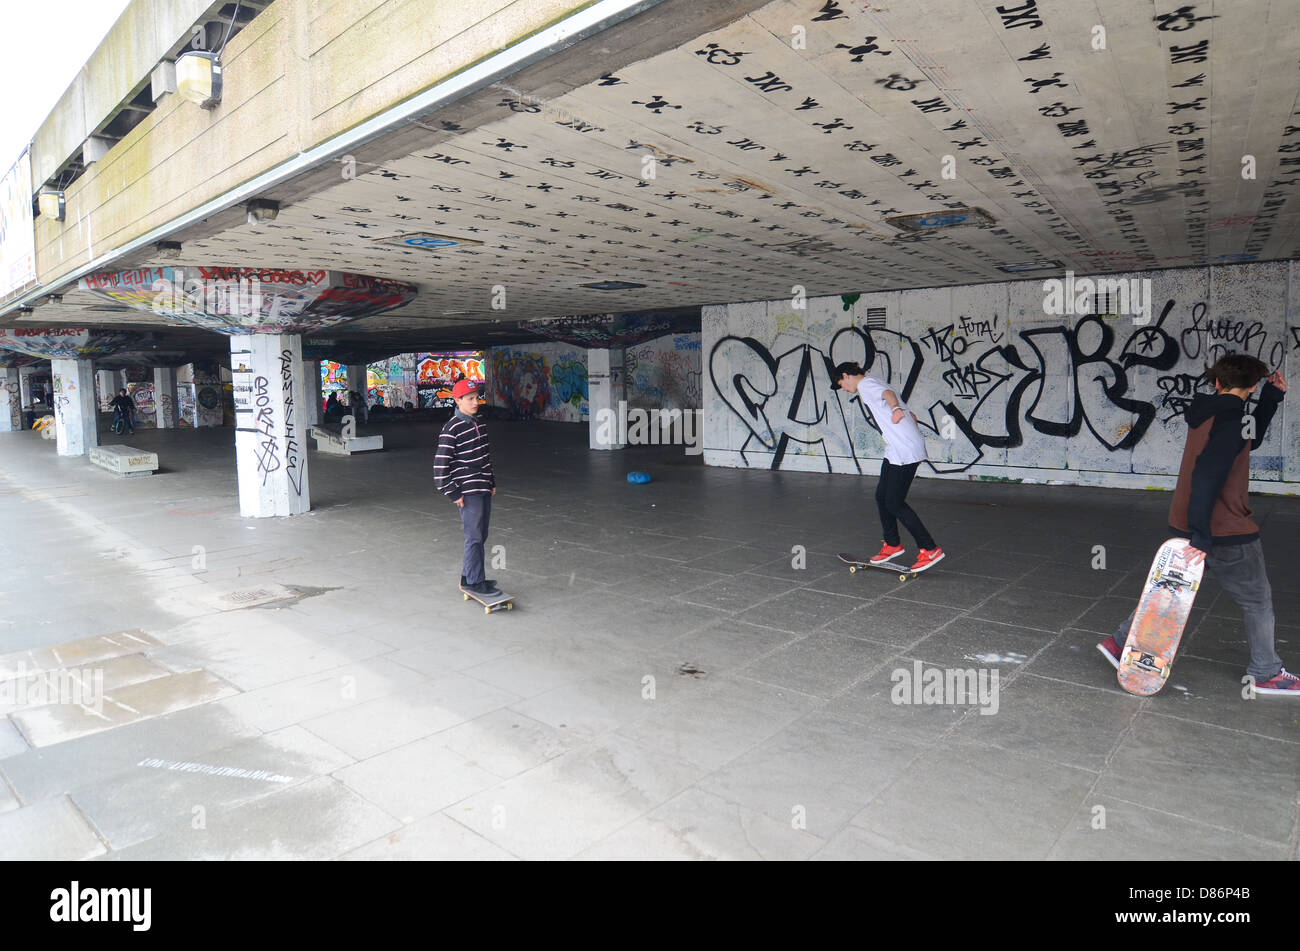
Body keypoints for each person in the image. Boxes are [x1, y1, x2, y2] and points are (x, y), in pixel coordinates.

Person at [1097, 355, 1296, 694]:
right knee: (1257, 600)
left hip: (1190, 520)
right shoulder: (1232, 418)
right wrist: (1202, 536)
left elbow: (1250, 440)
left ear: (1218, 383)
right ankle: (1265, 673)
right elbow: (1206, 475)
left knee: (1169, 590)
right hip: (1225, 528)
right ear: (1251, 386)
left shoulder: (1212, 412)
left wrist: (1272, 399)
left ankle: (1119, 643)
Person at [832, 361, 944, 572]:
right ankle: (892, 544)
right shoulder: (872, 382)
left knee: (894, 502)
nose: (844, 390)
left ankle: (929, 549)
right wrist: (906, 425)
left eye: (842, 385)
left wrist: (895, 409)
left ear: (847, 375)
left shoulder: (866, 385)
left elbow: (887, 395)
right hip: (898, 448)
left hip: (904, 450)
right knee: (882, 496)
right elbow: (912, 416)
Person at [434, 379, 498, 595]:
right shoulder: (451, 428)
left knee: (481, 534)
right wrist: (454, 493)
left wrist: (491, 481)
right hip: (467, 491)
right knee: (474, 536)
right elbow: (440, 467)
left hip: (482, 486)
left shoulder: (478, 423)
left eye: (476, 398)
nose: (475, 402)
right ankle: (474, 581)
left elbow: (485, 456)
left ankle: (469, 576)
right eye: (469, 399)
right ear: (457, 400)